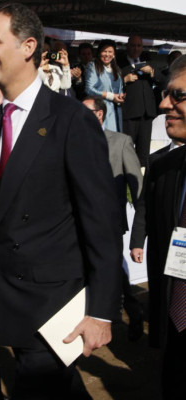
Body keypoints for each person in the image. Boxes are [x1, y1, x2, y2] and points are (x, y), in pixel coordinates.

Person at [0, 3, 122, 399]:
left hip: (56, 305)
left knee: (37, 387)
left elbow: (101, 221)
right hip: (8, 300)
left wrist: (101, 310)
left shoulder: (71, 120)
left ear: (29, 46)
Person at [129, 55, 186, 399]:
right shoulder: (165, 166)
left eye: (177, 95)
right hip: (176, 322)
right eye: (165, 94)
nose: (164, 104)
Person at [83, 95, 144, 341]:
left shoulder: (120, 142)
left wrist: (141, 226)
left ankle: (133, 311)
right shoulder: (73, 141)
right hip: (78, 221)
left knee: (111, 271)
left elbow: (136, 184)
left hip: (109, 222)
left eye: (85, 110)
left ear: (99, 114)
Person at [118, 35, 157, 167]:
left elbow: (163, 80)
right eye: (133, 45)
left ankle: (140, 181)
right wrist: (125, 78)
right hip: (129, 113)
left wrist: (151, 72)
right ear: (127, 46)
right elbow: (112, 83)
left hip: (146, 114)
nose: (136, 48)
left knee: (144, 153)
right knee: (126, 149)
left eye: (139, 45)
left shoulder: (148, 62)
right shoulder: (119, 64)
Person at [85, 39, 124, 132]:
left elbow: (120, 89)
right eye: (104, 51)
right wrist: (110, 96)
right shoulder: (93, 66)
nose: (107, 55)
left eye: (110, 52)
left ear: (114, 54)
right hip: (101, 110)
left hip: (116, 112)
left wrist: (120, 97)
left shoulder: (117, 70)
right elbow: (89, 89)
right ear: (99, 53)